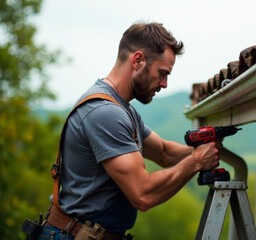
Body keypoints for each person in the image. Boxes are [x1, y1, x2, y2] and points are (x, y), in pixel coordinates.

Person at [37, 22, 221, 240]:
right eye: (162, 73)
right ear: (138, 60)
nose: (165, 84)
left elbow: (162, 151)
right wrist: (196, 162)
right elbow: (142, 194)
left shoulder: (123, 110)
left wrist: (204, 149)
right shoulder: (105, 113)